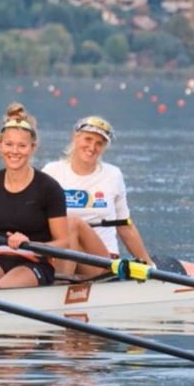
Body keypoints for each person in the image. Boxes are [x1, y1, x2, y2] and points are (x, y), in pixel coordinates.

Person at [0, 103, 69, 288]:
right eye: (9, 144)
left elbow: (64, 242)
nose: (14, 151)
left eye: (22, 146)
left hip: (35, 262)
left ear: (33, 147)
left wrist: (30, 242)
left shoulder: (49, 188)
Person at [42, 115, 153, 278]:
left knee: (72, 222)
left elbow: (125, 227)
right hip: (57, 253)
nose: (92, 147)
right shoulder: (52, 171)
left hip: (102, 260)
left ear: (104, 147)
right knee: (67, 227)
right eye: (88, 139)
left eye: (99, 143)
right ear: (75, 137)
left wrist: (150, 266)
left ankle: (56, 288)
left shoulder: (112, 175)